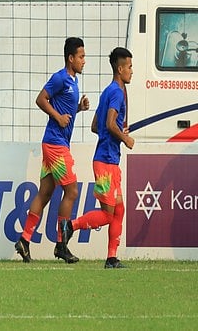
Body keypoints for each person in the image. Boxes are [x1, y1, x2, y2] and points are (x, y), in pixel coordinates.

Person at [15, 37, 90, 264]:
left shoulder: (73, 81)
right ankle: (61, 244)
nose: (84, 61)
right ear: (71, 58)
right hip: (56, 144)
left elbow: (64, 108)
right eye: (81, 57)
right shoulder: (60, 78)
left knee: (45, 192)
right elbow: (41, 99)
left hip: (55, 143)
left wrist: (78, 108)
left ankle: (24, 240)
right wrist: (57, 117)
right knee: (72, 191)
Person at [60, 47, 134, 269]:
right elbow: (109, 124)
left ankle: (111, 258)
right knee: (108, 215)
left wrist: (116, 131)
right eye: (130, 67)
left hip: (109, 160)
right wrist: (124, 138)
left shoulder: (108, 91)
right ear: (120, 69)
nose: (132, 71)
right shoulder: (117, 93)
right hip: (106, 161)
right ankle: (71, 226)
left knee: (119, 210)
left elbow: (96, 126)